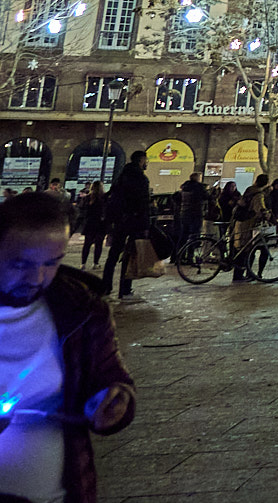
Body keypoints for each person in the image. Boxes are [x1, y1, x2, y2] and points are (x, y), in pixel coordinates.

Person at [0, 189, 137, 503]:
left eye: (52, 263)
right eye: (19, 264)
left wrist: (115, 402)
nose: (36, 277)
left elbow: (112, 378)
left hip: (58, 492)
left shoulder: (81, 310)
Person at [101, 152, 152, 303]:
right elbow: (143, 203)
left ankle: (106, 287)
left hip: (119, 221)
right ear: (141, 160)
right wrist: (145, 225)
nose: (146, 163)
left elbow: (111, 197)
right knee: (130, 256)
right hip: (134, 220)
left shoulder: (121, 176)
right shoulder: (141, 178)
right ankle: (125, 289)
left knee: (113, 255)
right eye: (145, 160)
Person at [76, 184, 108, 269]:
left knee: (87, 244)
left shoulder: (87, 198)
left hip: (89, 223)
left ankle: (83, 263)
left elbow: (81, 210)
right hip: (100, 224)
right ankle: (95, 263)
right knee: (98, 244)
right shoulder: (104, 198)